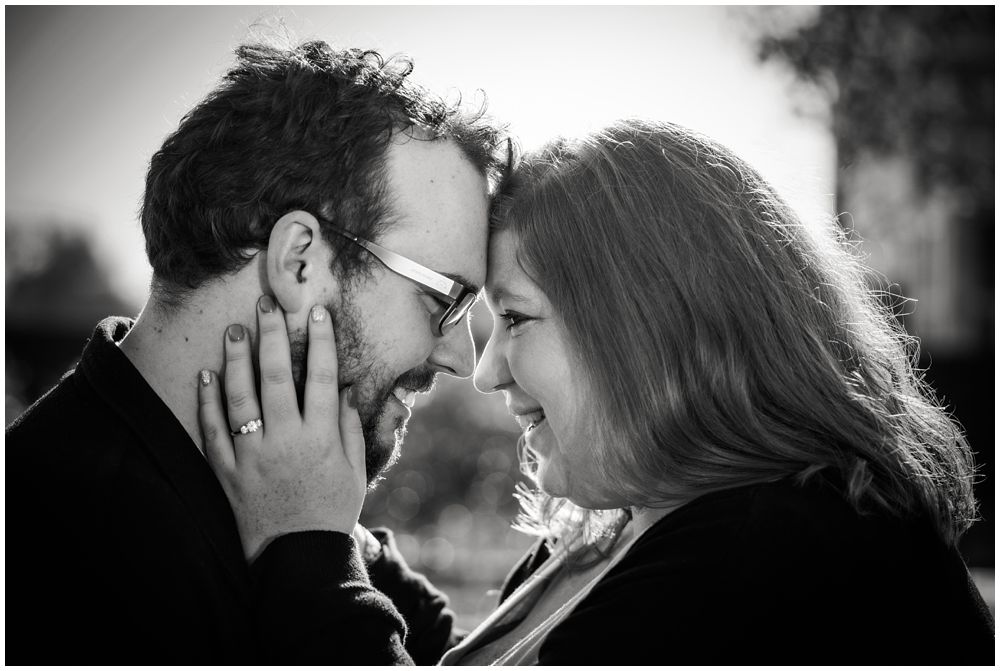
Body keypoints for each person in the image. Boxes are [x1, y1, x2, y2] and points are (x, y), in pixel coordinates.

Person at [200, 119, 994, 664]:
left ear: (641, 324)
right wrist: (331, 527)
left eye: (515, 317)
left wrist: (303, 551)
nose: (485, 369)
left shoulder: (769, 561)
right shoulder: (640, 525)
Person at [5, 38, 507, 664]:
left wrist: (325, 540)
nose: (464, 357)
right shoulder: (52, 561)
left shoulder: (255, 498)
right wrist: (312, 556)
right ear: (297, 261)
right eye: (448, 300)